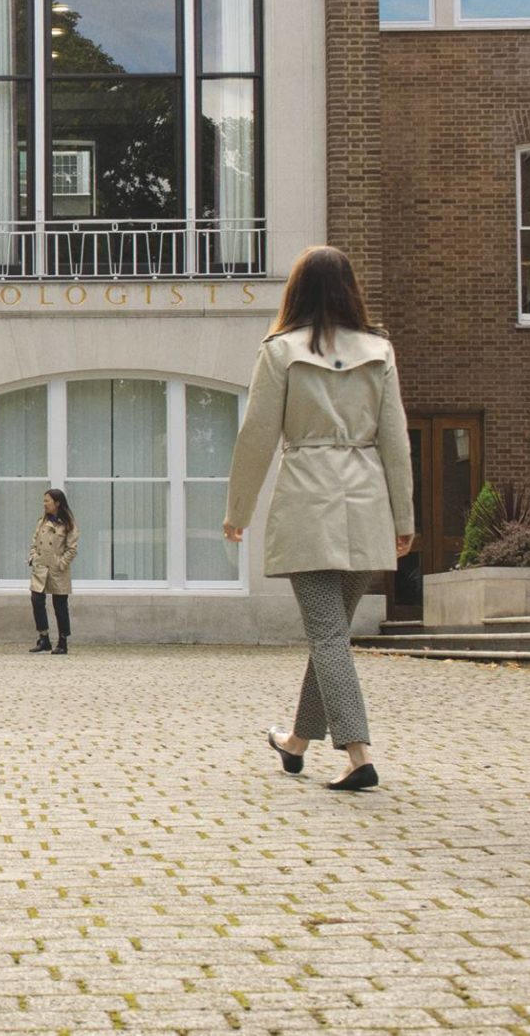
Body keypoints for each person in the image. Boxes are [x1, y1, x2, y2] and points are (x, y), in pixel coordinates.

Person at [224, 246, 413, 793]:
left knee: (328, 635)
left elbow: (257, 436)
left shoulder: (280, 350)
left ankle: (358, 753)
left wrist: (238, 511)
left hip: (308, 500)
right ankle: (296, 743)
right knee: (330, 634)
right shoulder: (379, 349)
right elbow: (396, 441)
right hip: (367, 502)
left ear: (297, 291)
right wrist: (404, 517)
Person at [29, 488, 77, 655]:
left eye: (47, 501)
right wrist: (33, 558)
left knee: (60, 605)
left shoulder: (68, 524)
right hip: (41, 567)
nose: (44, 504)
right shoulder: (41, 521)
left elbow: (72, 549)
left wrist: (61, 563)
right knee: (36, 600)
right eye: (44, 500)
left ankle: (63, 641)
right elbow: (34, 542)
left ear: (57, 503)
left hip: (57, 569)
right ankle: (43, 638)